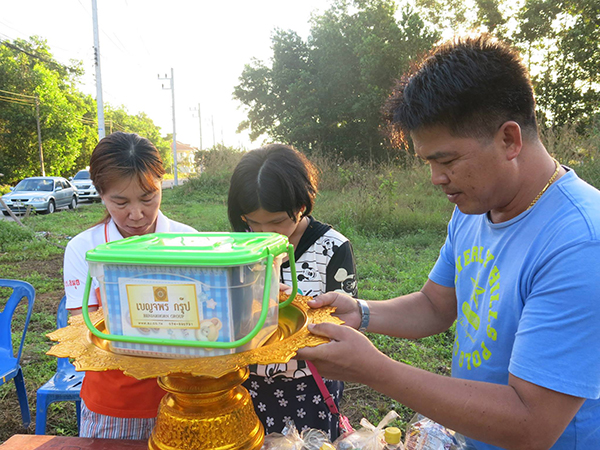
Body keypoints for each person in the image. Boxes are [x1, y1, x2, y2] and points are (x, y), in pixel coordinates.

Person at [296, 34, 600, 450]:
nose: (436, 178)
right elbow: (436, 305)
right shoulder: (475, 207)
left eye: (448, 160)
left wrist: (375, 370)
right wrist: (361, 312)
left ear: (509, 140)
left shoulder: (580, 241)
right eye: (429, 162)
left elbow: (531, 424)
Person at [63, 132, 197, 439]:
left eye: (148, 198)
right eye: (120, 202)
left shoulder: (188, 241)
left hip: (185, 397)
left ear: (162, 183)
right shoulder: (84, 249)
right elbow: (84, 332)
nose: (136, 215)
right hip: (115, 403)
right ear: (101, 194)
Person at [228, 143, 358, 439]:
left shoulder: (332, 248)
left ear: (301, 205)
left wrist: (295, 304)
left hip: (309, 384)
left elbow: (342, 324)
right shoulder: (238, 248)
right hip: (247, 382)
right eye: (253, 223)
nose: (265, 233)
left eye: (276, 222)